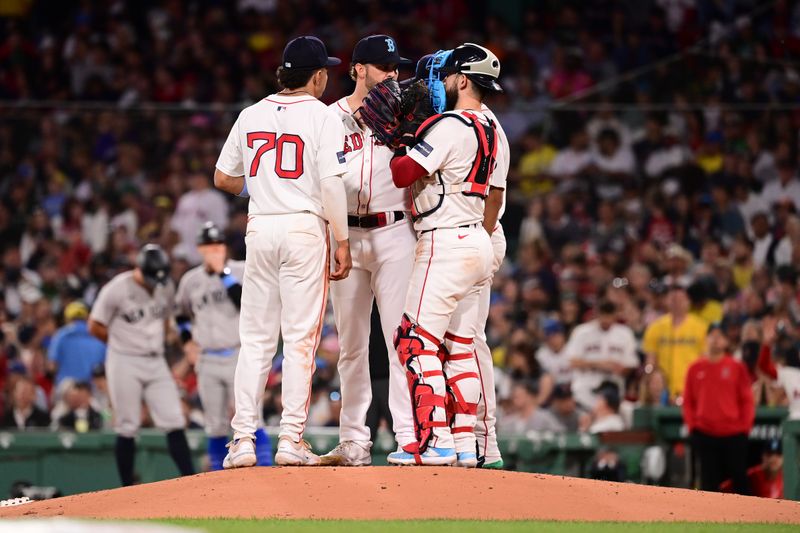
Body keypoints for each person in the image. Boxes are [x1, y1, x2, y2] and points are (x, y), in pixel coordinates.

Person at [213, 36, 351, 467]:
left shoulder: (250, 113)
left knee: (254, 341)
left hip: (261, 226)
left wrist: (262, 186)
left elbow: (222, 178)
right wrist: (342, 239)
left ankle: (242, 442)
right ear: (317, 76)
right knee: (298, 341)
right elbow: (331, 183)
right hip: (303, 228)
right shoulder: (322, 115)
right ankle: (290, 439)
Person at [385, 43, 502, 466]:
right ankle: (465, 443)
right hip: (477, 239)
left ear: (463, 80)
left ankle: (435, 440)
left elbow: (403, 172)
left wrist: (402, 138)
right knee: (460, 345)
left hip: (446, 240)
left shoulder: (451, 124)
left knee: (415, 341)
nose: (443, 82)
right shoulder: (490, 126)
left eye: (449, 75)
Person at [320, 35, 416, 467]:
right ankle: (354, 439)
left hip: (396, 233)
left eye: (396, 68)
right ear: (357, 68)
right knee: (352, 345)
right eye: (383, 67)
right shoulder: (327, 118)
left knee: (401, 340)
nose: (392, 75)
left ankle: (409, 436)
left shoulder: (408, 115)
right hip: (346, 237)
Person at [88, 244, 195, 485]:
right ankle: (126, 486)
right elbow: (94, 324)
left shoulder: (164, 286)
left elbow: (168, 317)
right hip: (124, 359)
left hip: (155, 359)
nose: (153, 282)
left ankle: (191, 480)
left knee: (174, 419)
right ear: (139, 268)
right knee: (127, 425)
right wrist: (118, 341)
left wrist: (168, 336)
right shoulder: (117, 288)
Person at [175, 222, 271, 470]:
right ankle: (217, 480)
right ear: (199, 249)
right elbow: (181, 315)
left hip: (239, 355)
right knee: (215, 424)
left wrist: (222, 273)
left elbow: (244, 303)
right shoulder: (190, 281)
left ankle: (267, 471)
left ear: (224, 247)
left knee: (252, 417)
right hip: (207, 358)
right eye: (208, 246)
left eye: (217, 245)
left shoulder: (239, 271)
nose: (213, 251)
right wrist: (187, 343)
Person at [683, 323, 755, 494]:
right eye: (712, 336)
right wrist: (693, 426)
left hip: (733, 434)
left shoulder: (736, 367)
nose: (715, 340)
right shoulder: (694, 368)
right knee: (708, 483)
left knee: (739, 480)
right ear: (706, 339)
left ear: (726, 342)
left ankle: (746, 518)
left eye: (719, 336)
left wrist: (744, 427)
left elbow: (747, 400)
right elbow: (688, 402)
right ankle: (711, 519)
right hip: (705, 434)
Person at [564, 300, 639, 410]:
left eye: (609, 316)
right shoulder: (582, 332)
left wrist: (619, 367)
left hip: (613, 391)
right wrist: (599, 364)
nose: (605, 320)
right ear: (597, 314)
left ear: (615, 315)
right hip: (585, 391)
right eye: (603, 315)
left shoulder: (625, 333)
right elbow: (571, 361)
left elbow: (631, 365)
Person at [642, 282, 708, 400]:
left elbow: (705, 360)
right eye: (673, 299)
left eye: (680, 299)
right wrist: (649, 376)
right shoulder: (655, 327)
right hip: (663, 391)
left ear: (688, 301)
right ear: (667, 301)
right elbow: (650, 361)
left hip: (692, 388)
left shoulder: (701, 327)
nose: (676, 303)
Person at [47, 301, 106, 387]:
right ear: (86, 318)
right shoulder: (97, 335)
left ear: (67, 319)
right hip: (92, 389)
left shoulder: (60, 335)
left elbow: (52, 366)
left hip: (66, 389)